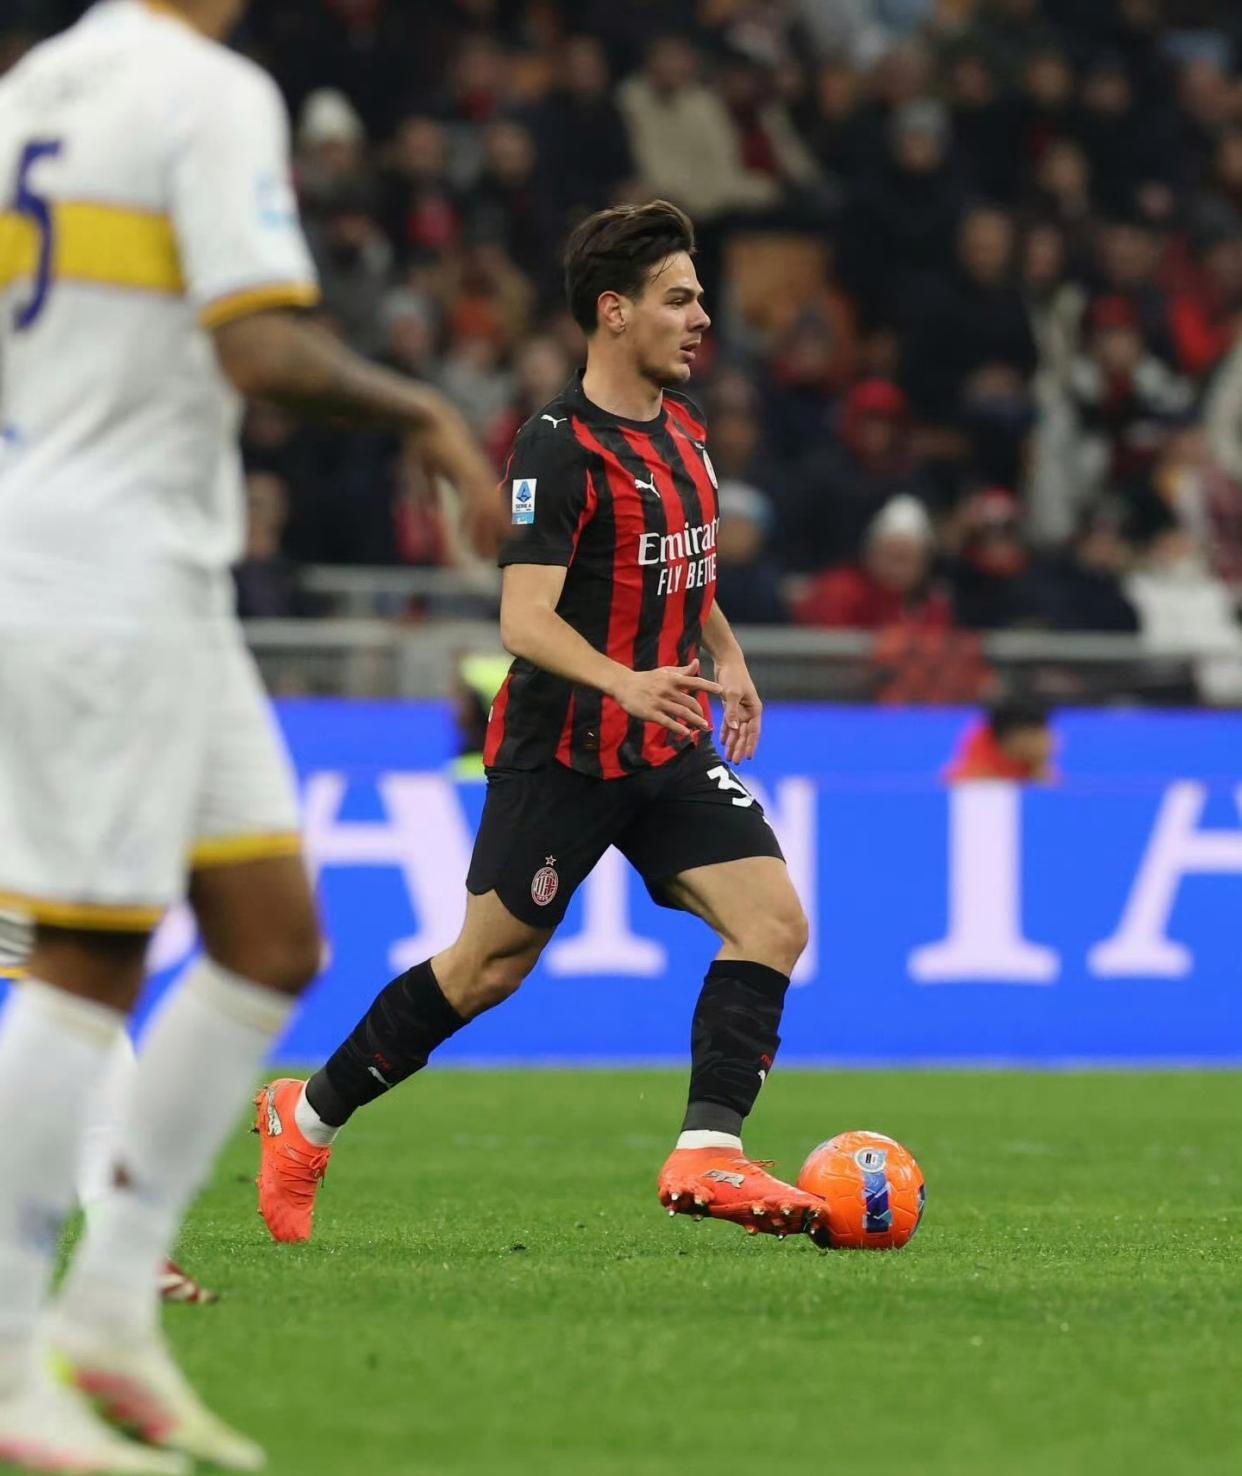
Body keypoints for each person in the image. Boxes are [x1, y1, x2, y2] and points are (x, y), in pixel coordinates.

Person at [0, 2, 500, 1471]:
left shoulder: (33, 89)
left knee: (271, 935)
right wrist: (423, 413)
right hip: (106, 570)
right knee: (85, 956)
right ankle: (13, 1360)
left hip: (140, 560)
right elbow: (260, 347)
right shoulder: (204, 91)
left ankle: (106, 1313)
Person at [255, 200, 824, 1253]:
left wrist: (728, 653)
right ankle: (308, 1115)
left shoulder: (685, 426)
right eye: (679, 299)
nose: (703, 317)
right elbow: (522, 619)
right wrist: (624, 682)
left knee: (774, 923)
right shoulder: (555, 449)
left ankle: (709, 1151)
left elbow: (684, 563)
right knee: (486, 969)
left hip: (665, 739)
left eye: (700, 297)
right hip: (564, 749)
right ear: (614, 312)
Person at [946, 700, 1056, 782]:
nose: (1051, 741)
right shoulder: (975, 772)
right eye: (1038, 734)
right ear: (1015, 738)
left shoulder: (1034, 765)